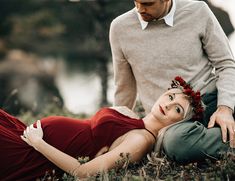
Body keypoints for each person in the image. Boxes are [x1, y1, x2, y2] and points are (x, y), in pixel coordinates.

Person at [1, 76, 202, 180]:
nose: (168, 104)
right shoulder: (131, 116)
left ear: (179, 123)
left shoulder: (140, 140)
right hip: (25, 134)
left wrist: (39, 143)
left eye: (177, 109)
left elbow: (82, 172)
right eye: (170, 96)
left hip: (31, 156)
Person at [109, 0, 235, 163]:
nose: (140, 9)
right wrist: (114, 132)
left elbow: (225, 64)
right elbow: (124, 88)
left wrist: (225, 108)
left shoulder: (198, 11)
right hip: (172, 121)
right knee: (176, 144)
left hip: (212, 100)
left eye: (148, 3)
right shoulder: (120, 28)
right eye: (136, 2)